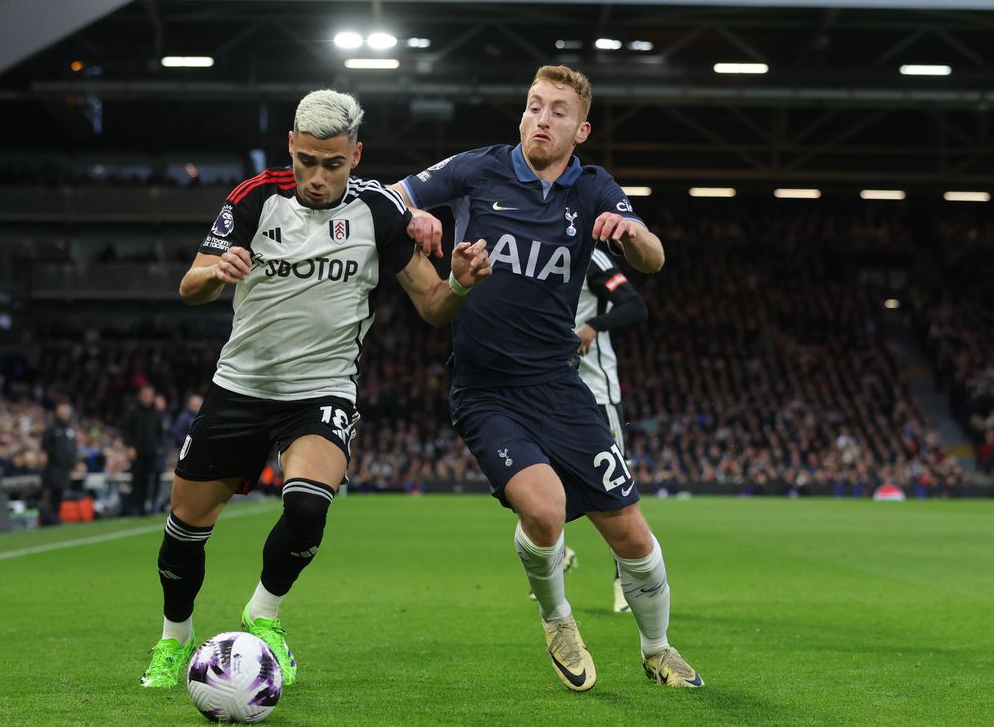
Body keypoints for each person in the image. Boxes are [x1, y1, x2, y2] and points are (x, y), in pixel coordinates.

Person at [139, 88, 491, 689]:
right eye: (306, 161)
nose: (317, 176)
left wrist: (458, 284)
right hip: (241, 387)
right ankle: (175, 638)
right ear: (291, 149)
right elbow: (188, 285)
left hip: (322, 389)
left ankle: (264, 613)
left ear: (356, 155)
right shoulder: (254, 198)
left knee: (306, 506)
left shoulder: (380, 213)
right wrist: (214, 273)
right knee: (185, 531)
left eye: (332, 163)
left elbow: (433, 307)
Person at [391, 65, 702, 690]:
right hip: (485, 390)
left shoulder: (594, 189)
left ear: (580, 130)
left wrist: (631, 232)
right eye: (535, 105)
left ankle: (658, 649)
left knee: (633, 538)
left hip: (561, 387)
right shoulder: (477, 169)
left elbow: (654, 258)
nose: (542, 118)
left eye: (558, 111)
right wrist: (412, 216)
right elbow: (387, 195)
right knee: (546, 511)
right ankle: (558, 618)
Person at [573, 245, 649, 613]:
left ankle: (624, 582)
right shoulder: (536, 250)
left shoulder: (592, 258)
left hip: (598, 393)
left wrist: (593, 326)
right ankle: (553, 561)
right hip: (549, 390)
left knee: (615, 491)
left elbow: (634, 305)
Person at [123, 386, 164, 516]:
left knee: (148, 481)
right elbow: (127, 430)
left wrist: (157, 446)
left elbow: (159, 432)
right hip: (137, 452)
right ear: (140, 396)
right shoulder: (133, 411)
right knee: (137, 480)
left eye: (150, 395)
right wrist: (129, 446)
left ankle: (144, 508)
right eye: (145, 395)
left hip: (151, 451)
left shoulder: (156, 413)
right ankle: (134, 507)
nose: (147, 398)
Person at [40, 403, 78, 525]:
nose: (64, 414)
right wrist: (56, 456)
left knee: (60, 493)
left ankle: (55, 516)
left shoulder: (69, 429)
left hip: (65, 468)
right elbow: (45, 444)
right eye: (62, 411)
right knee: (53, 492)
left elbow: (73, 447)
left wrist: (72, 461)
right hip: (54, 467)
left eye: (66, 412)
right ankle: (49, 518)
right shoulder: (52, 428)